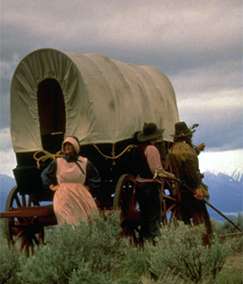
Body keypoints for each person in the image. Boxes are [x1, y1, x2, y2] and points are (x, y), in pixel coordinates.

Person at [130, 122, 174, 241]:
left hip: (140, 186)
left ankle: (144, 242)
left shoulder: (137, 149)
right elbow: (156, 171)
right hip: (150, 186)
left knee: (145, 216)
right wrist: (171, 175)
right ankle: (154, 242)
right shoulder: (152, 149)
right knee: (154, 216)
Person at [41, 136, 101, 225]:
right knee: (66, 219)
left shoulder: (84, 162)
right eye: (65, 145)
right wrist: (51, 186)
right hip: (63, 194)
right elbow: (44, 174)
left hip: (80, 193)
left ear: (75, 147)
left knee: (86, 218)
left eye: (70, 145)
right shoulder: (58, 162)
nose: (67, 147)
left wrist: (88, 187)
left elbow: (96, 177)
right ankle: (70, 237)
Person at [168, 121, 212, 239]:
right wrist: (197, 187)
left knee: (185, 219)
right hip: (191, 189)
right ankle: (206, 241)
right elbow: (190, 171)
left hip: (179, 190)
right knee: (201, 217)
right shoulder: (186, 149)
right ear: (187, 136)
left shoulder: (173, 150)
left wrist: (197, 150)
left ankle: (188, 244)